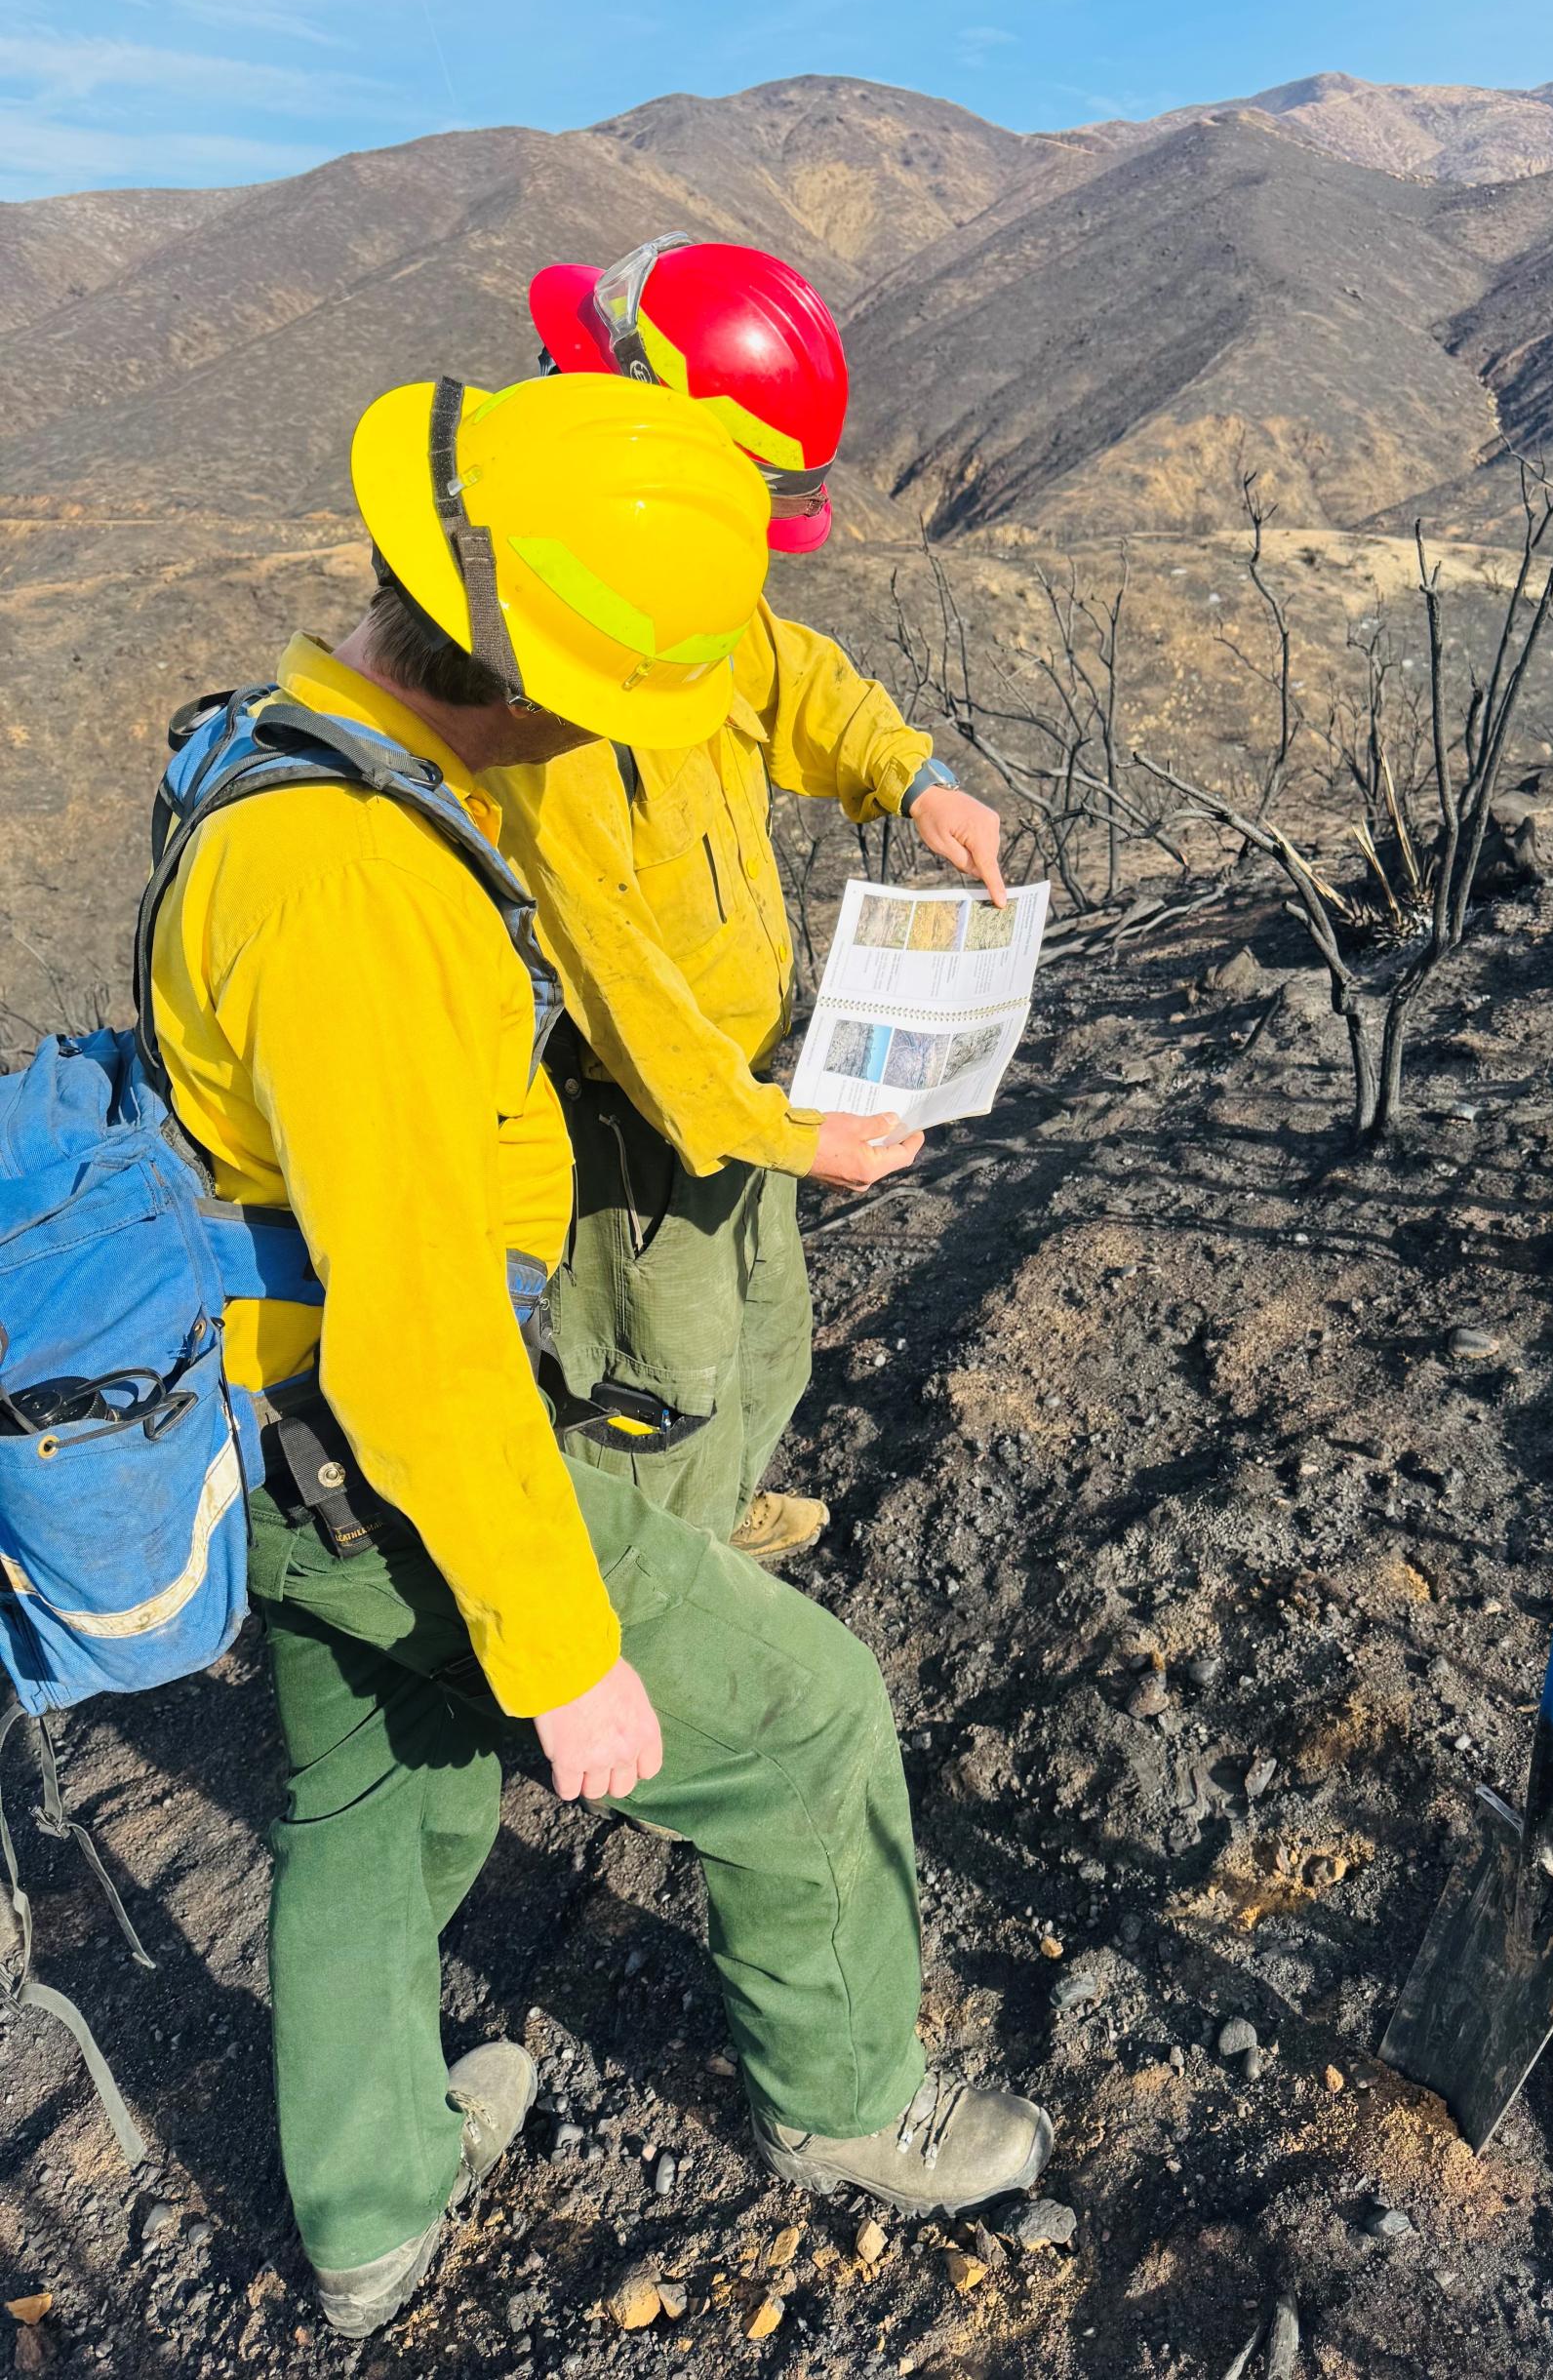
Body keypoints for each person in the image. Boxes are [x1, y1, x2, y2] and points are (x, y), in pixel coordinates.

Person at [145, 370, 1052, 2339]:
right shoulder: (361, 892)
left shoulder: (302, 748)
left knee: (373, 1802)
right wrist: (565, 1655)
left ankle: (373, 2211)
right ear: (537, 672)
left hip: (268, 1425)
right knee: (808, 1722)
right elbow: (417, 1339)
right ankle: (848, 2106)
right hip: (384, 1458)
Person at [488, 241, 1009, 1561]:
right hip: (632, 1109)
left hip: (742, 1089)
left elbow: (796, 679)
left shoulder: (670, 574)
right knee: (654, 1372)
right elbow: (612, 980)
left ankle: (713, 1518)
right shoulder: (537, 660)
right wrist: (781, 1134)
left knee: (764, 1328)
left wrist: (916, 781)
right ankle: (638, 1604)